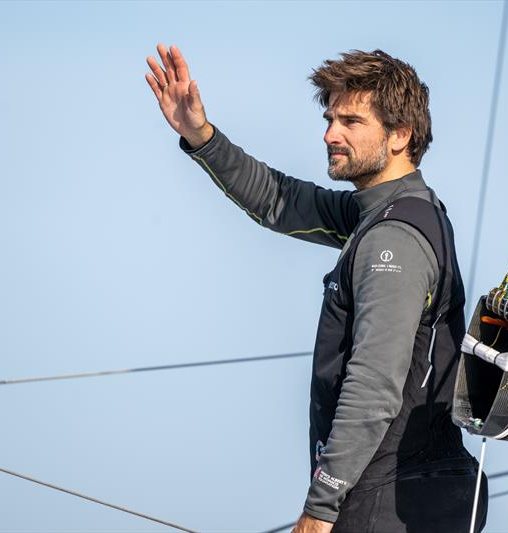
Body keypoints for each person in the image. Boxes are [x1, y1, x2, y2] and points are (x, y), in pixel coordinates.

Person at [145, 43, 488, 533]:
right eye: (329, 119)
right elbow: (280, 201)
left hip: (394, 499)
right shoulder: (386, 213)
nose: (330, 134)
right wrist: (199, 134)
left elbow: (374, 387)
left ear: (400, 135)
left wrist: (321, 507)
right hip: (408, 491)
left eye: (350, 121)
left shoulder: (394, 236)